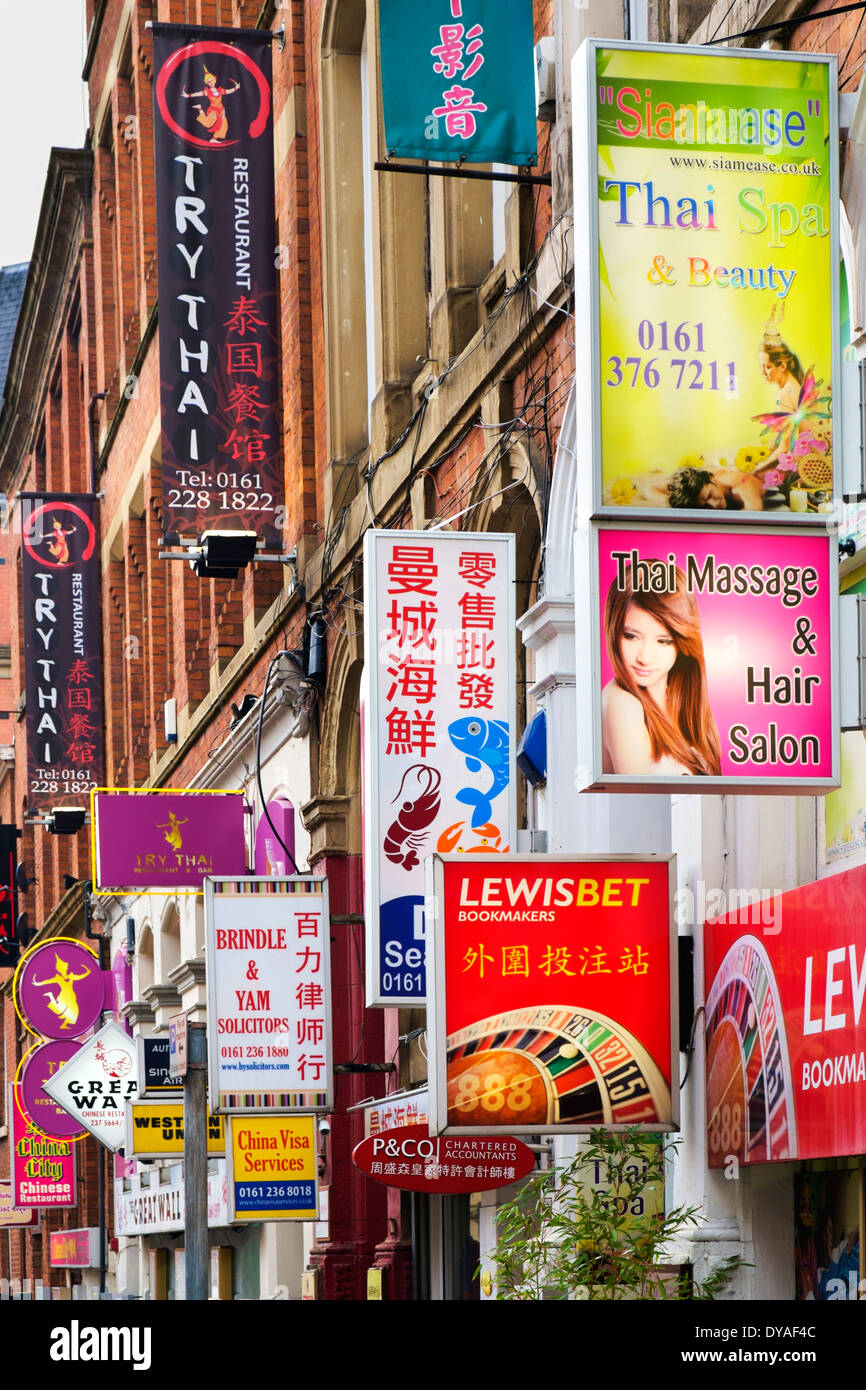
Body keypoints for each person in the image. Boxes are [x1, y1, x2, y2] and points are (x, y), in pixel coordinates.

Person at [602, 561, 721, 777]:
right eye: (631, 636)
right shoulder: (623, 704)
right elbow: (639, 803)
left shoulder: (681, 699)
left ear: (682, 643)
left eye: (663, 641)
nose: (644, 658)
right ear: (614, 631)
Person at [182, 66, 240, 143]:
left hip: (221, 110)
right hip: (213, 111)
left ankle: (213, 139)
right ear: (207, 83)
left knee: (224, 125)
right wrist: (188, 95)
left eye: (211, 80)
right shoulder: (207, 92)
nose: (211, 82)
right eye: (209, 82)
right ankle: (200, 108)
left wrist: (236, 88)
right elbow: (198, 93)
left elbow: (228, 91)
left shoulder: (220, 90)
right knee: (207, 123)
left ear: (214, 81)